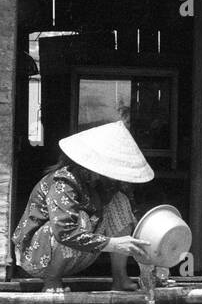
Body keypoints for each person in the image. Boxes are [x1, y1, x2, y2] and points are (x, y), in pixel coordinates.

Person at [13, 120, 154, 292]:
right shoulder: (64, 181)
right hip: (37, 259)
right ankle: (51, 280)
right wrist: (114, 244)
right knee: (81, 219)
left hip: (77, 258)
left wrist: (151, 255)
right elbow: (64, 231)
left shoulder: (108, 186)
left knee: (119, 201)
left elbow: (133, 220)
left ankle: (120, 278)